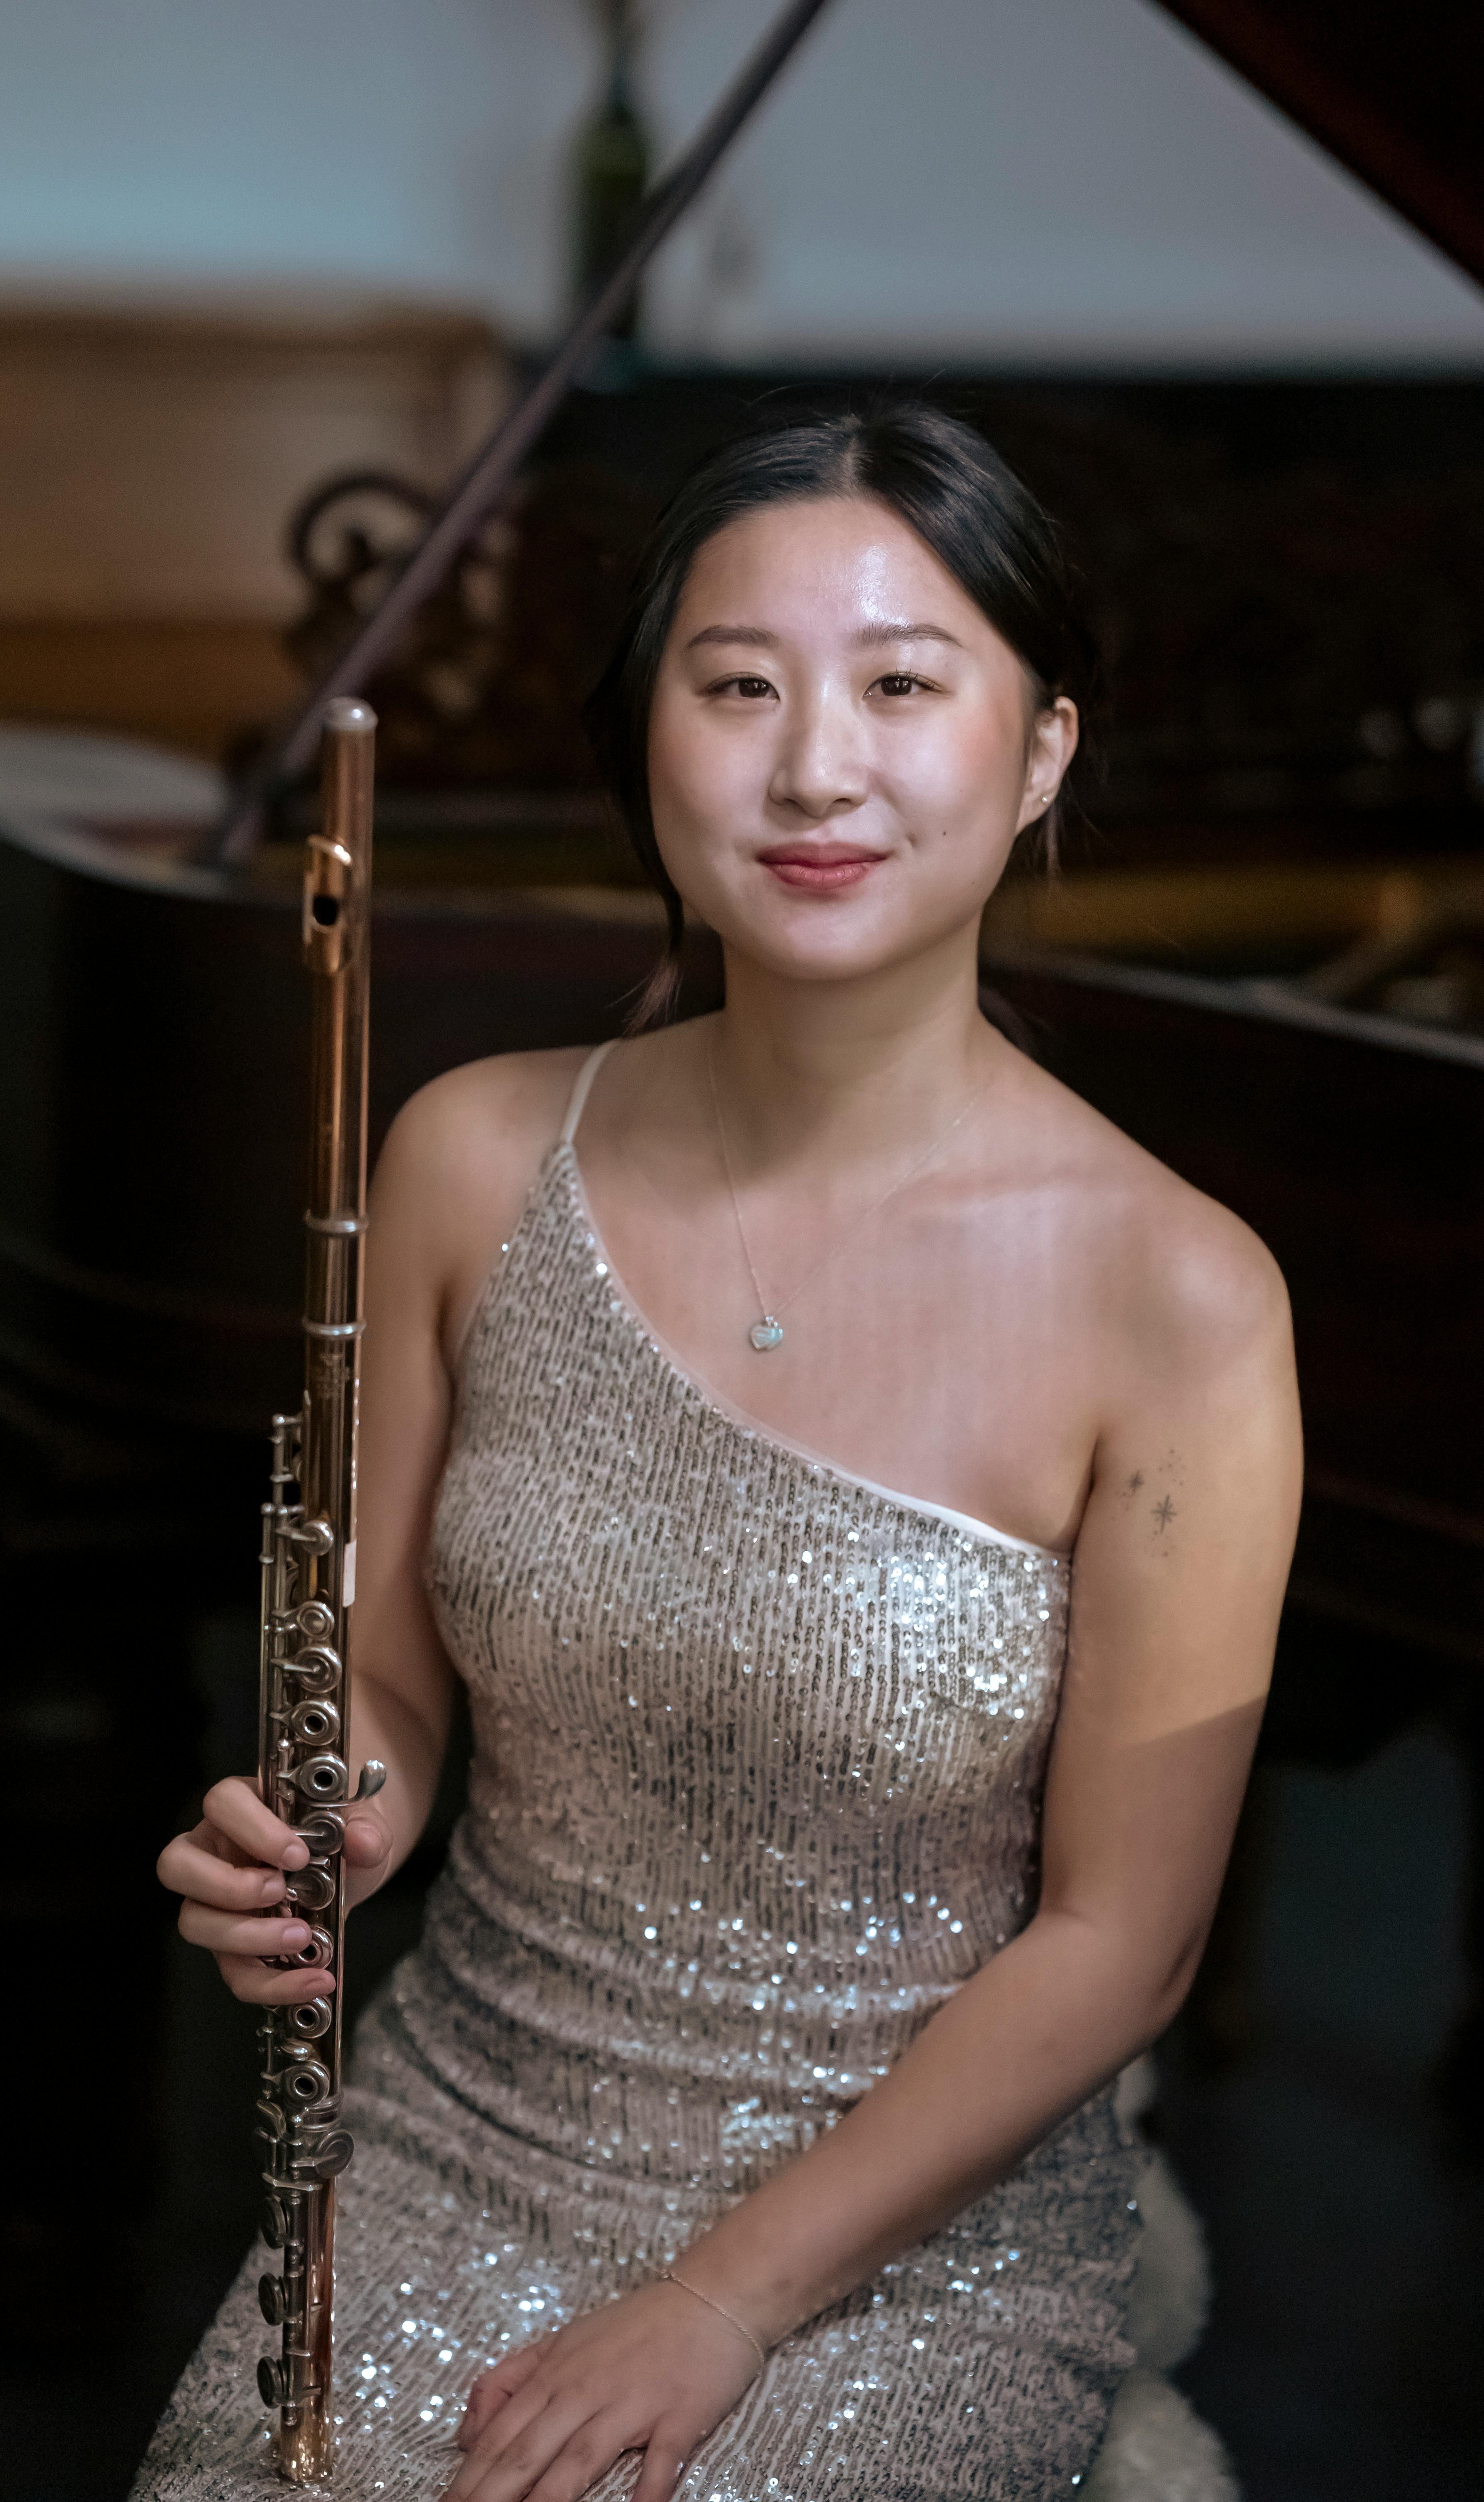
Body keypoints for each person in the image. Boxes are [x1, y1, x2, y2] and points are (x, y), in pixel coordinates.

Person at [141, 404, 1301, 2502]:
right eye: (739, 684)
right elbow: (380, 1676)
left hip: (908, 2242)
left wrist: (726, 2300)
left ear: (1040, 751)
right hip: (461, 2130)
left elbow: (1122, 1942)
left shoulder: (1185, 1300)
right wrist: (337, 1825)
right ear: (650, 736)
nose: (812, 768)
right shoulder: (474, 1157)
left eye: (902, 685)